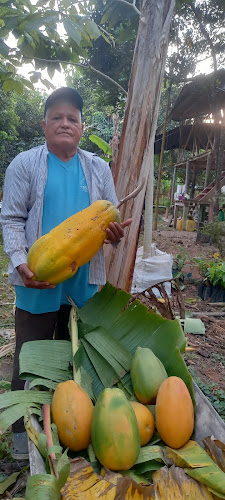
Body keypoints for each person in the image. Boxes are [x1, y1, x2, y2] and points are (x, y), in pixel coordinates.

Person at [1, 87, 132, 459]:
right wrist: (20, 262)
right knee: (31, 357)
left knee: (75, 356)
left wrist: (116, 235)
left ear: (82, 125)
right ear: (44, 124)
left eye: (72, 118)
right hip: (36, 278)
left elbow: (113, 218)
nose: (64, 124)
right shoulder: (24, 164)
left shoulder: (97, 167)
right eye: (56, 117)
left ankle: (70, 430)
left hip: (83, 282)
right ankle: (23, 440)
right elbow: (10, 218)